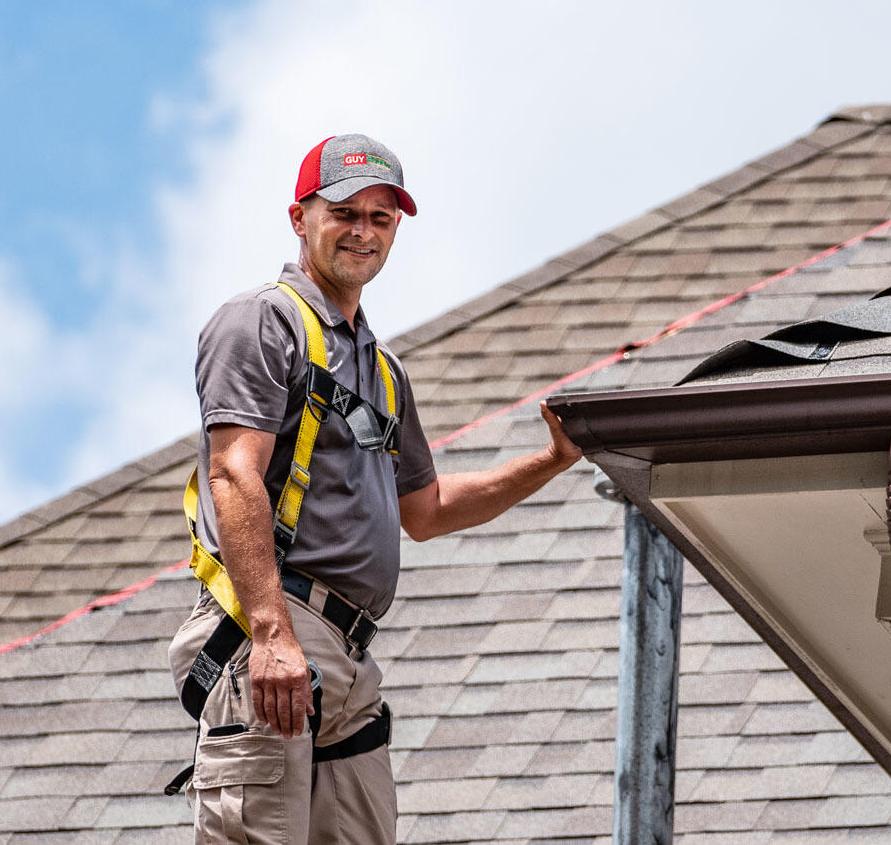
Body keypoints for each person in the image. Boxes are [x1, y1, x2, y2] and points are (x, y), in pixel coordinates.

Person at [168, 133, 582, 843]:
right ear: (300, 218)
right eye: (344, 213)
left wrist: (554, 459)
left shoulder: (381, 369)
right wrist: (269, 633)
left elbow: (426, 511)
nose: (363, 231)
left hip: (347, 660)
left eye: (381, 218)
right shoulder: (264, 321)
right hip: (274, 634)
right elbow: (234, 472)